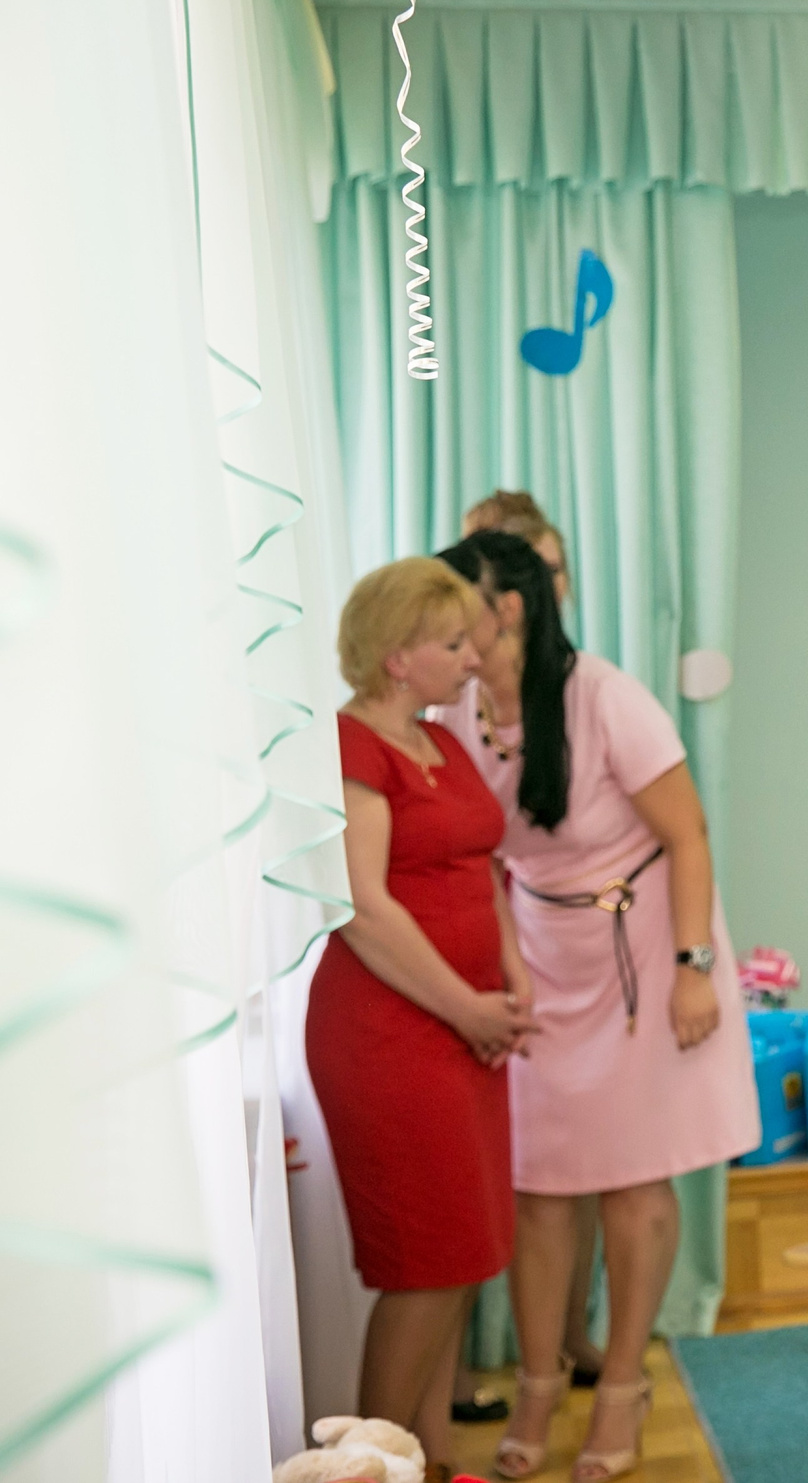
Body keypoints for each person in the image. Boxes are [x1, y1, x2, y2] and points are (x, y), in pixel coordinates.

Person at [432, 530, 756, 1483]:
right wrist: (503, 965)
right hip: (539, 955)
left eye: (463, 604)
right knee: (539, 1185)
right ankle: (539, 1379)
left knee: (633, 1180)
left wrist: (695, 967)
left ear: (511, 609)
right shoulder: (455, 707)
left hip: (646, 946)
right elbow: (480, 854)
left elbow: (689, 834)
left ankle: (622, 1385)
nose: (451, 626)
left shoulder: (606, 696)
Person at [310, 559, 535, 1478]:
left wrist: (510, 984)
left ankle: (433, 1463)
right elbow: (364, 906)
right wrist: (469, 1006)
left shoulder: (440, 743)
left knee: (461, 1254)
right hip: (391, 1032)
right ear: (398, 657)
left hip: (465, 1029)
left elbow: (483, 869)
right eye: (451, 644)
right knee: (427, 1264)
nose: (472, 659)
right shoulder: (354, 747)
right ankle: (364, 1465)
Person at [448, 489, 602, 1424]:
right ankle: (462, 1362)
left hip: (562, 948)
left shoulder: (582, 691)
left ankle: (572, 1336)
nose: (525, 600)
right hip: (477, 938)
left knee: (567, 1156)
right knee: (472, 1161)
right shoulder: (452, 694)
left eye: (546, 575)